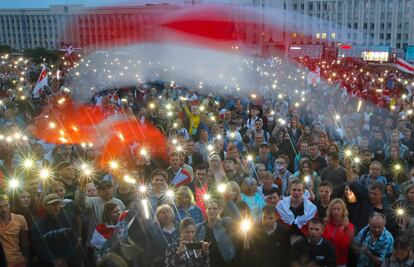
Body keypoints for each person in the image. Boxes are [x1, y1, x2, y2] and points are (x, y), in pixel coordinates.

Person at [31, 194, 81, 267]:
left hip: (70, 262)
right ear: (45, 206)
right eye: (52, 204)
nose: (56, 207)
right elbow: (39, 248)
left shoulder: (69, 220)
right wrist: (54, 261)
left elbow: (73, 241)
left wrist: (64, 259)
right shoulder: (37, 226)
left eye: (57, 204)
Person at [276, 178, 317, 244]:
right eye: (294, 190)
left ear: (303, 192)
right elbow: (279, 226)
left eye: (299, 190)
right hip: (284, 241)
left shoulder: (311, 208)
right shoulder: (281, 206)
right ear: (290, 190)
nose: (296, 193)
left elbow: (313, 228)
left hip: (305, 242)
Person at [195, 200, 235, 267]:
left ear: (219, 210)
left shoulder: (225, 224)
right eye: (209, 208)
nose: (212, 211)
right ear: (206, 210)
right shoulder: (199, 227)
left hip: (223, 263)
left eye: (215, 209)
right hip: (205, 263)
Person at [322, 198, 355, 267]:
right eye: (334, 209)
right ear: (330, 210)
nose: (336, 212)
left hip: (341, 262)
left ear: (343, 211)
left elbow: (348, 245)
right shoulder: (325, 223)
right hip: (326, 261)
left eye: (338, 209)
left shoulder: (349, 226)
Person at [0, 195, 29, 267]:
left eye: (6, 205)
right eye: (0, 207)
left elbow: (25, 242)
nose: (4, 209)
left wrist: (26, 258)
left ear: (9, 205)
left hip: (18, 260)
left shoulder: (20, 219)